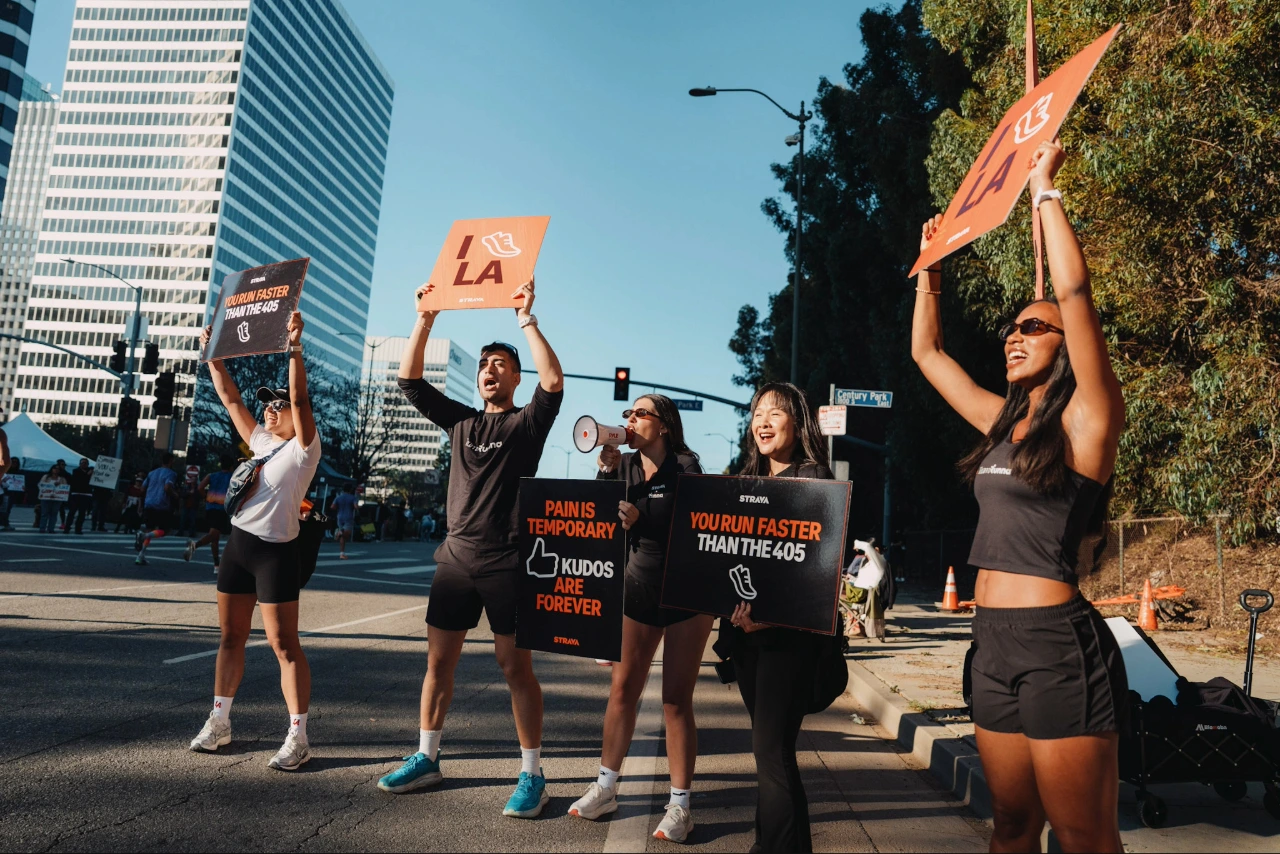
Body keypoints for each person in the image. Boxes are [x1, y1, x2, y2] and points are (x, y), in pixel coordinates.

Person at [911, 140, 1126, 852]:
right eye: (1011, 326)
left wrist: (1043, 190)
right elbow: (928, 356)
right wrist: (929, 274)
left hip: (1056, 646)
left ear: (1066, 346)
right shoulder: (1001, 425)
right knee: (1010, 824)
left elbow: (1073, 294)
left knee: (1084, 836)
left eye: (1032, 327)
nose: (1014, 334)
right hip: (990, 645)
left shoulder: (1088, 422)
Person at [377, 278, 563, 819]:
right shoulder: (460, 420)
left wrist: (526, 320)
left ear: (514, 377)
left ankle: (533, 773)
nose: (490, 369)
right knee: (439, 664)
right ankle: (427, 757)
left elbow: (552, 382)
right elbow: (410, 381)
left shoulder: (527, 425)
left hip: (507, 561)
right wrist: (426, 318)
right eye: (485, 363)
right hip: (456, 560)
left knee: (514, 667)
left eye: (501, 364)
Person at [567, 395, 709, 842]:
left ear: (664, 425)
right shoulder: (624, 466)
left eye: (639, 413)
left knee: (674, 700)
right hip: (639, 588)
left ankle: (681, 806)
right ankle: (606, 786)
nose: (629, 420)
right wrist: (605, 472)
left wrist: (641, 519)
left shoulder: (687, 467)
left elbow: (694, 525)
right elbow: (598, 518)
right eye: (627, 414)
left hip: (686, 594)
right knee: (622, 690)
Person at [189, 311, 322, 772]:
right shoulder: (262, 440)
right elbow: (229, 400)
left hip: (276, 553)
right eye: (269, 404)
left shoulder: (305, 450)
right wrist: (213, 355)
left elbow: (302, 399)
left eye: (278, 405)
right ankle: (220, 722)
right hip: (240, 548)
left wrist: (294, 348)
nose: (271, 408)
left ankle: (298, 736)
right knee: (230, 638)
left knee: (284, 646)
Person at [724, 382, 834, 854]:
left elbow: (818, 567)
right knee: (773, 753)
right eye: (757, 414)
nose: (763, 421)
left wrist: (772, 615)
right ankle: (770, 844)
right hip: (747, 637)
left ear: (798, 422)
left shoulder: (816, 478)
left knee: (770, 753)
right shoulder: (747, 479)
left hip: (789, 639)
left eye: (775, 412)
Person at [185, 456, 235, 571]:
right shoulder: (232, 477)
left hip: (210, 507)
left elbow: (200, 487)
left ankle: (216, 565)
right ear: (231, 466)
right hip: (222, 508)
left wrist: (206, 497)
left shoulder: (211, 476)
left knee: (215, 537)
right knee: (214, 535)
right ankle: (194, 546)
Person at [134, 453, 179, 566]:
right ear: (171, 461)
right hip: (162, 504)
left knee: (150, 529)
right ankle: (144, 537)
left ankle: (140, 556)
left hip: (149, 503)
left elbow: (143, 488)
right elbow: (167, 487)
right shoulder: (171, 474)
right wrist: (175, 495)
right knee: (165, 530)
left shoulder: (151, 473)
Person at [63, 458, 94, 534]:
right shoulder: (76, 471)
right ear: (80, 464)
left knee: (82, 513)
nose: (84, 464)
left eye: (86, 463)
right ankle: (67, 528)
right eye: (82, 463)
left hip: (86, 494)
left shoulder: (92, 471)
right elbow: (78, 481)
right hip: (76, 494)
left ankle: (78, 528)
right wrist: (87, 475)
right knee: (72, 512)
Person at [329, 483, 358, 559]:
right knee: (347, 533)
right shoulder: (353, 497)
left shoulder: (338, 498)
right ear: (351, 489)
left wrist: (339, 507)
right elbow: (356, 507)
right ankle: (340, 532)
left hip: (339, 516)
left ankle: (342, 553)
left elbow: (332, 507)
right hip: (348, 517)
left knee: (343, 537)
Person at [37, 465, 67, 534]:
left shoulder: (62, 479)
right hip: (46, 497)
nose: (56, 470)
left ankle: (51, 528)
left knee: (54, 514)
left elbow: (65, 487)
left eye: (58, 469)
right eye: (54, 468)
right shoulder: (46, 477)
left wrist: (60, 485)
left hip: (57, 498)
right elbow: (40, 485)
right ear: (51, 469)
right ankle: (42, 528)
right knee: (44, 513)